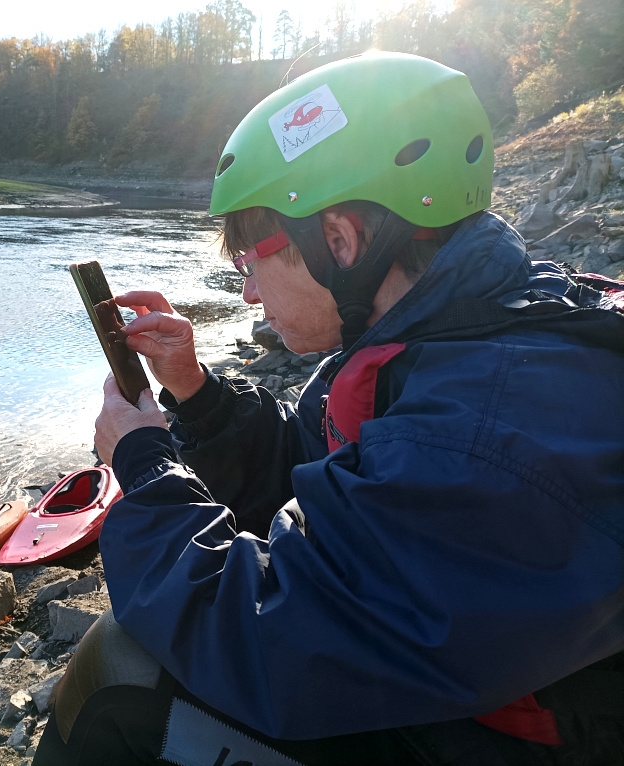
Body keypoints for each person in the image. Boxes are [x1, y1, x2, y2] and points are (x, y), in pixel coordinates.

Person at [34, 51, 624, 765]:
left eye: (250, 263)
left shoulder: (486, 432)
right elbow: (330, 480)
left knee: (116, 672)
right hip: (473, 690)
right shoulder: (452, 329)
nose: (248, 294)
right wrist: (198, 394)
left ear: (339, 240)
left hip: (511, 743)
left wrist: (144, 461)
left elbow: (267, 639)